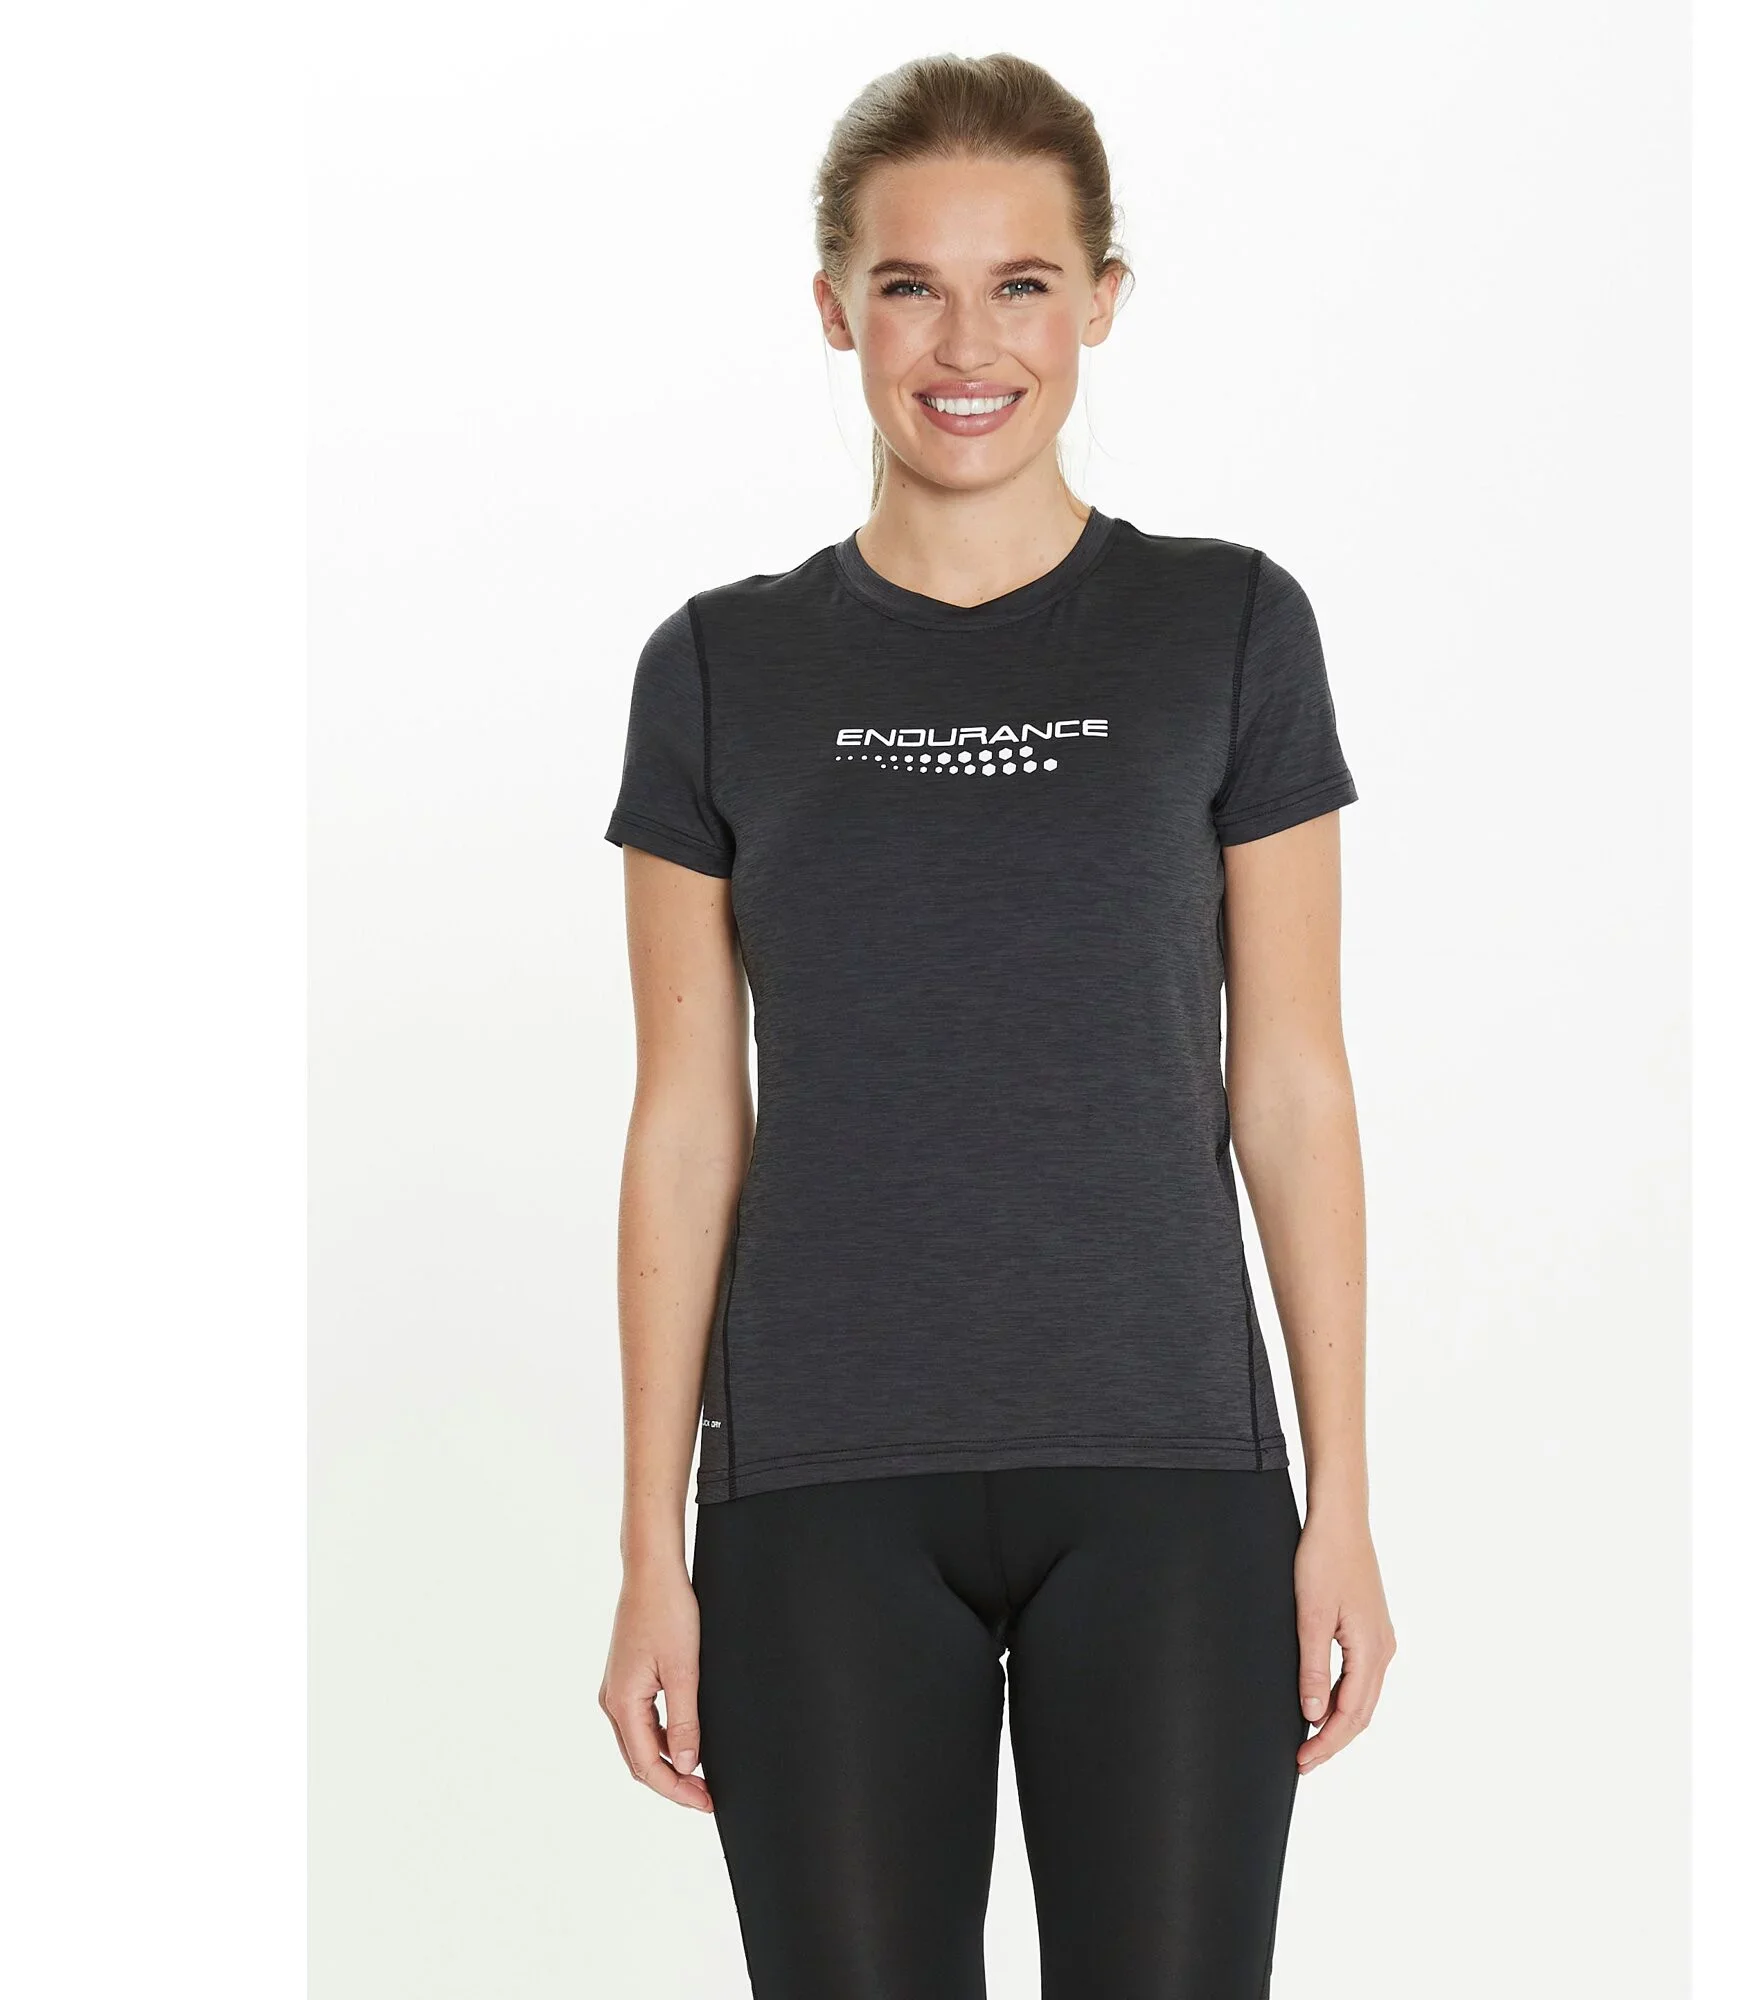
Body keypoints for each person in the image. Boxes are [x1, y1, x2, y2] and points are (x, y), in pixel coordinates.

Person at [596, 50, 1394, 1999]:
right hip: (816, 1489)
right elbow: (687, 1121)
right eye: (911, 286)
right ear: (834, 308)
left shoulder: (1228, 629)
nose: (968, 345)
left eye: (1021, 284)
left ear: (1100, 299)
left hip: (1172, 1478)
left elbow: (1291, 1085)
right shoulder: (719, 669)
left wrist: (1345, 1503)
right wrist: (645, 1549)